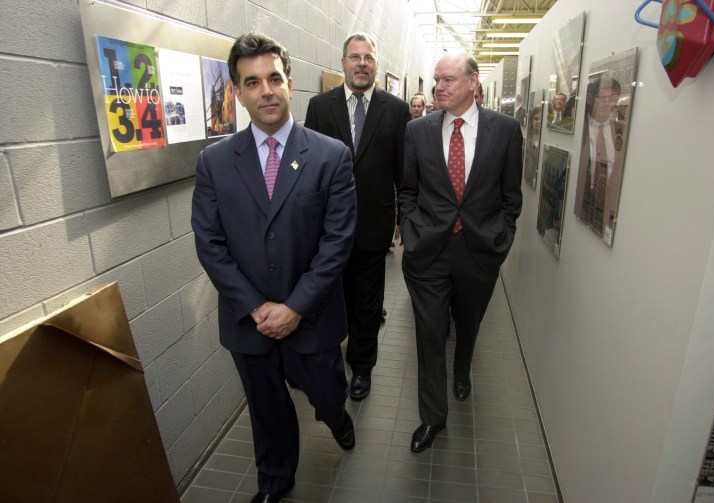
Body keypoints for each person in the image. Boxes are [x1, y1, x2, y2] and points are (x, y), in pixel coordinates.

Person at [191, 33, 357, 503]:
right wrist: (256, 306)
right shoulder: (215, 163)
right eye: (252, 82)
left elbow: (336, 243)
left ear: (289, 84)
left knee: (325, 395)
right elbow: (210, 243)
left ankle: (337, 416)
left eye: (274, 78)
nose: (266, 90)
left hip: (313, 318)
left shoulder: (330, 156)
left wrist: (296, 308)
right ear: (238, 92)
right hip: (250, 324)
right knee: (267, 410)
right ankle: (275, 483)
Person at [399, 51, 523, 452]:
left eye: (448, 79)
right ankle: (432, 418)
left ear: (472, 82)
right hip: (428, 252)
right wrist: (412, 229)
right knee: (430, 333)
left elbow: (511, 197)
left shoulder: (504, 130)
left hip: (479, 251)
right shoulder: (418, 130)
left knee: (467, 323)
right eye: (436, 80)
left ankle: (463, 367)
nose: (438, 87)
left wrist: (501, 239)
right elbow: (408, 190)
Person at [304, 32, 410, 401]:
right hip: (328, 228)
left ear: (376, 64)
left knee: (367, 302)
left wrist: (403, 218)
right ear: (343, 62)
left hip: (374, 225)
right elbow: (308, 170)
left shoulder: (395, 110)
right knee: (332, 299)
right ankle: (331, 365)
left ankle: (362, 368)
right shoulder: (320, 107)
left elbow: (404, 172)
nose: (361, 63)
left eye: (368, 57)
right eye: (354, 57)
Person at [574, 73, 624, 243]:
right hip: (581, 206)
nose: (607, 103)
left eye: (612, 98)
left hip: (606, 214)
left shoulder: (620, 132)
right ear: (590, 99)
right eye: (602, 98)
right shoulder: (579, 132)